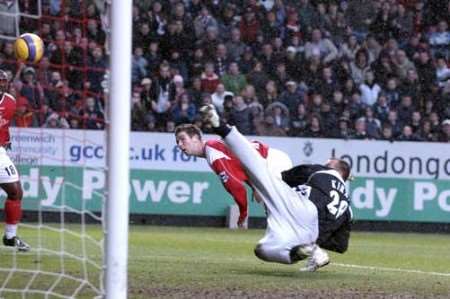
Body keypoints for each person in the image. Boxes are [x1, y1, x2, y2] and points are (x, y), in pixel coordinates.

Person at [199, 104, 352, 271]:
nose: (327, 162)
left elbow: (296, 173)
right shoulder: (348, 208)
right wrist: (317, 238)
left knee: (258, 169)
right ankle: (307, 250)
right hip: (311, 232)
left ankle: (221, 127)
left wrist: (275, 183)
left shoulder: (324, 172)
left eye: (330, 161)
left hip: (303, 209)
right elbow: (341, 245)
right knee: (263, 249)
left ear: (335, 167)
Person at [174, 123, 292, 228]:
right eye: (177, 141)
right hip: (271, 162)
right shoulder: (212, 147)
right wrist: (255, 188)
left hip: (272, 163)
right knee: (270, 204)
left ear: (195, 138)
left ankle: (297, 239)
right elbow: (243, 168)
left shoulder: (212, 151)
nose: (179, 144)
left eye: (182, 139)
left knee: (278, 209)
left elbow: (235, 186)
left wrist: (243, 212)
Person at [0, 70, 30, 251]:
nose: (1, 84)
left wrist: (7, 139)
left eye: (3, 81)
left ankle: (10, 237)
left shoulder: (10, 102)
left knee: (16, 191)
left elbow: (5, 124)